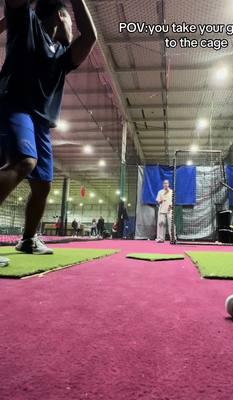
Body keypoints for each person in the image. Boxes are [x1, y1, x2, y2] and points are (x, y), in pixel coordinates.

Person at [0, 0, 97, 267]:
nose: (72, 26)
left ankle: (28, 239)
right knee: (24, 162)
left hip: (41, 123)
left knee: (42, 185)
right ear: (59, 17)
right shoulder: (26, 24)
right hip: (13, 106)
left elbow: (90, 37)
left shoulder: (63, 56)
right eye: (69, 21)